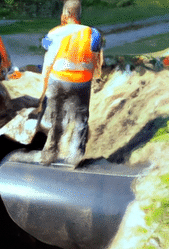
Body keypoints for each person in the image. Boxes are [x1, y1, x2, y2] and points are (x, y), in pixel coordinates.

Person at [39, 0, 103, 167]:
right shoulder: (92, 33)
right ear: (80, 16)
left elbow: (46, 47)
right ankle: (76, 155)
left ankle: (49, 153)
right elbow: (96, 59)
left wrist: (44, 84)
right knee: (81, 119)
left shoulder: (54, 33)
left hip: (57, 81)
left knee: (56, 118)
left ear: (64, 15)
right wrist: (97, 75)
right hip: (81, 82)